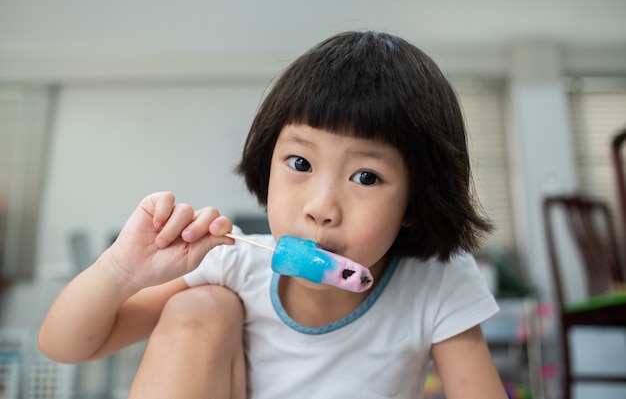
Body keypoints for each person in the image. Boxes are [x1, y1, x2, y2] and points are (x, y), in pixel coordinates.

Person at [39, 31, 508, 399]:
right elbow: (64, 346)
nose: (321, 208)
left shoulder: (436, 283)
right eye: (300, 164)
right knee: (202, 303)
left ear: (415, 202)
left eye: (366, 177)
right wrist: (122, 270)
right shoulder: (230, 262)